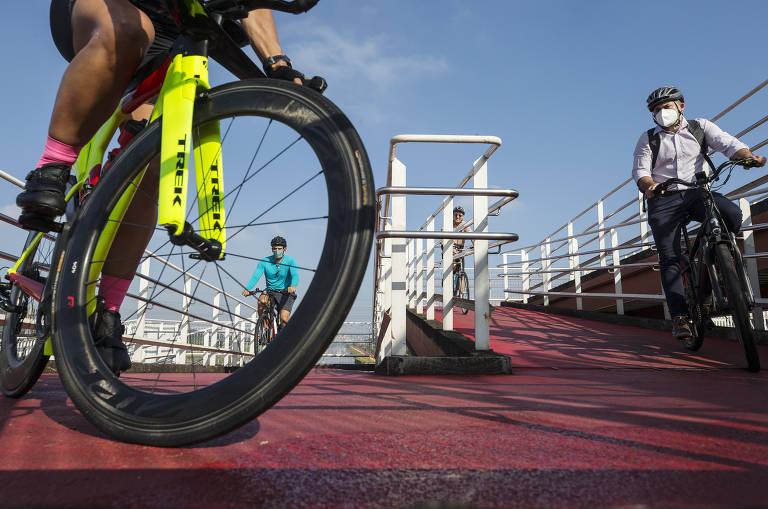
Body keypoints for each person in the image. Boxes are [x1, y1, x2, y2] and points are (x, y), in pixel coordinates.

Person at [15, 0, 318, 374]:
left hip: (173, 38)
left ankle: (108, 312)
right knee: (128, 29)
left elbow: (252, 8)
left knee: (151, 165)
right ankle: (52, 165)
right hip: (111, 9)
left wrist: (278, 65)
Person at [632, 86, 766, 340]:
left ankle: (714, 261)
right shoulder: (648, 138)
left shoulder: (699, 126)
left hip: (696, 191)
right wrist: (649, 186)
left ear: (681, 107)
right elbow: (640, 170)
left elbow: (727, 143)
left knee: (731, 215)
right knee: (669, 257)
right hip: (663, 197)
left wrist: (747, 157)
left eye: (667, 107)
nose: (662, 113)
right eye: (656, 110)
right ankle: (680, 317)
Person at [242, 236, 298, 329]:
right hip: (270, 291)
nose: (277, 251)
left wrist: (293, 285)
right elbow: (255, 276)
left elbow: (295, 275)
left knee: (284, 319)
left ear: (285, 249)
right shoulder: (264, 261)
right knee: (261, 302)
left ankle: (282, 337)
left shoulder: (290, 261)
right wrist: (247, 289)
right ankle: (265, 324)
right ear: (272, 249)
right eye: (274, 249)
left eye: (279, 249)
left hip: (286, 292)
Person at [451, 205, 472, 290]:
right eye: (456, 215)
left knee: (461, 272)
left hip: (460, 250)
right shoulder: (448, 224)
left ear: (463, 216)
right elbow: (443, 237)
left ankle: (462, 294)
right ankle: (449, 286)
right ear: (453, 215)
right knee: (453, 266)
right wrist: (451, 249)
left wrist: (476, 245)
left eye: (460, 215)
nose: (457, 217)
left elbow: (471, 235)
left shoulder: (465, 225)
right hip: (449, 249)